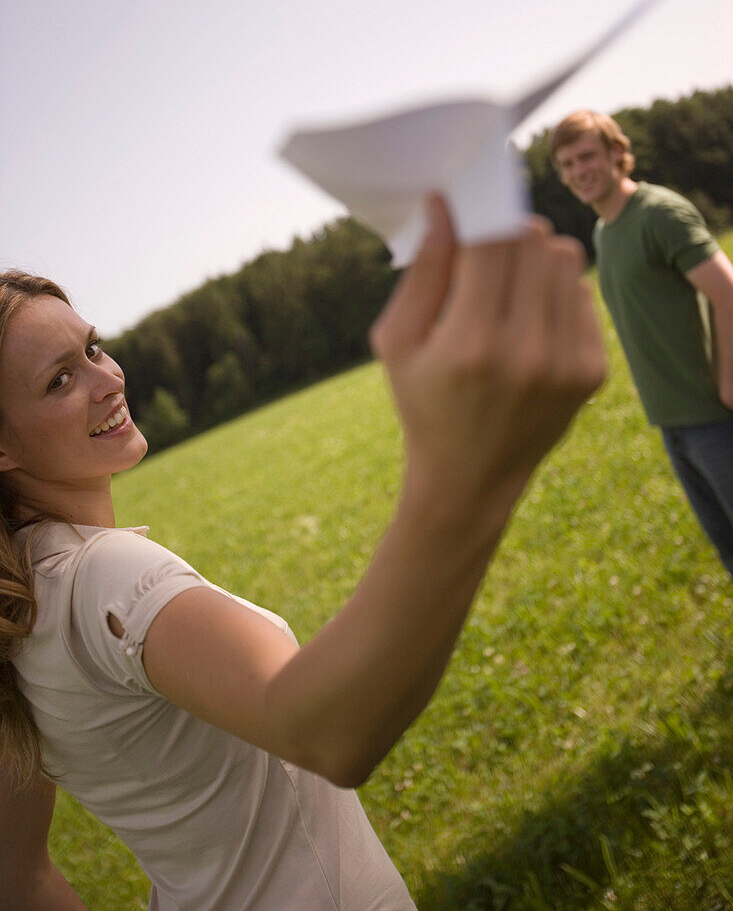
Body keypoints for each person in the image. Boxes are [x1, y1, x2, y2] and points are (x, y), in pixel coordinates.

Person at [0, 197, 605, 909]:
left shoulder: (20, 608)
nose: (109, 380)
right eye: (60, 380)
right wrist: (473, 473)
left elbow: (20, 877)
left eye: (94, 348)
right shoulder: (105, 576)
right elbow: (331, 732)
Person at [550, 109, 733, 577]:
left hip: (716, 418)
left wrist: (728, 379)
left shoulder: (658, 213)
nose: (578, 172)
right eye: (566, 164)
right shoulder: (603, 231)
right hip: (673, 423)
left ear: (617, 152)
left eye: (586, 156)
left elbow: (727, 292)